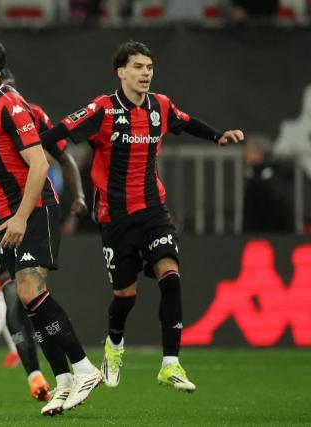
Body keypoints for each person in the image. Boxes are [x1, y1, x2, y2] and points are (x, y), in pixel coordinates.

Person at [40, 40, 244, 392]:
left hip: (153, 210)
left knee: (171, 277)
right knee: (126, 296)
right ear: (121, 72)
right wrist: (21, 149)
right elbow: (57, 133)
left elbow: (185, 122)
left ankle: (170, 363)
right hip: (115, 217)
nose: (145, 73)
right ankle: (114, 345)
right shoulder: (102, 110)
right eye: (137, 67)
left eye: (149, 67)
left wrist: (217, 136)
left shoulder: (160, 106)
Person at [0, 37, 102, 416]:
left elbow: (40, 164)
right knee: (27, 301)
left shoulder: (12, 105)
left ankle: (84, 369)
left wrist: (21, 216)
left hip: (35, 211)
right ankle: (63, 381)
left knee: (30, 291)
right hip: (3, 218)